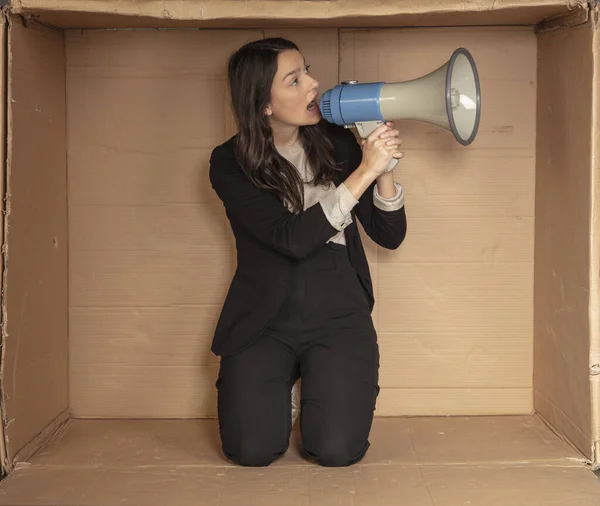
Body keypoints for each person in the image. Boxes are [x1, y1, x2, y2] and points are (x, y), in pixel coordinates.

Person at [208, 37, 407, 468]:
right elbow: (292, 238)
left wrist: (384, 171)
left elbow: (389, 235)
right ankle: (282, 394)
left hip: (338, 310)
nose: (314, 85)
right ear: (263, 103)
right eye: (295, 80)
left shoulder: (337, 143)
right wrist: (363, 173)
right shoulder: (229, 163)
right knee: (251, 451)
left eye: (308, 71)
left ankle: (317, 385)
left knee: (336, 451)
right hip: (264, 318)